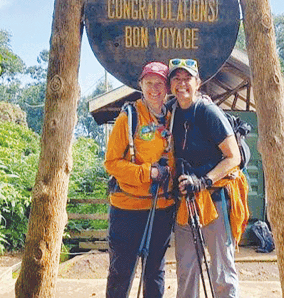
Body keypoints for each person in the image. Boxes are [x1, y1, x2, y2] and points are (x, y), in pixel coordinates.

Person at [168, 58, 249, 298]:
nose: (182, 84)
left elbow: (233, 157)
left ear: (198, 83)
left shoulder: (207, 111)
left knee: (222, 271)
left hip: (214, 198)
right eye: (176, 78)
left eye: (187, 79)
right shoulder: (171, 112)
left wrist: (204, 181)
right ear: (170, 83)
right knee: (187, 269)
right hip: (186, 201)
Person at [104, 62, 175, 298]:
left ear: (167, 88)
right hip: (127, 208)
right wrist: (149, 173)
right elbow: (111, 163)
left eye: (160, 84)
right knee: (121, 271)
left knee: (155, 271)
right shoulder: (129, 117)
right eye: (149, 83)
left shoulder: (174, 118)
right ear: (141, 85)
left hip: (162, 208)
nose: (154, 89)